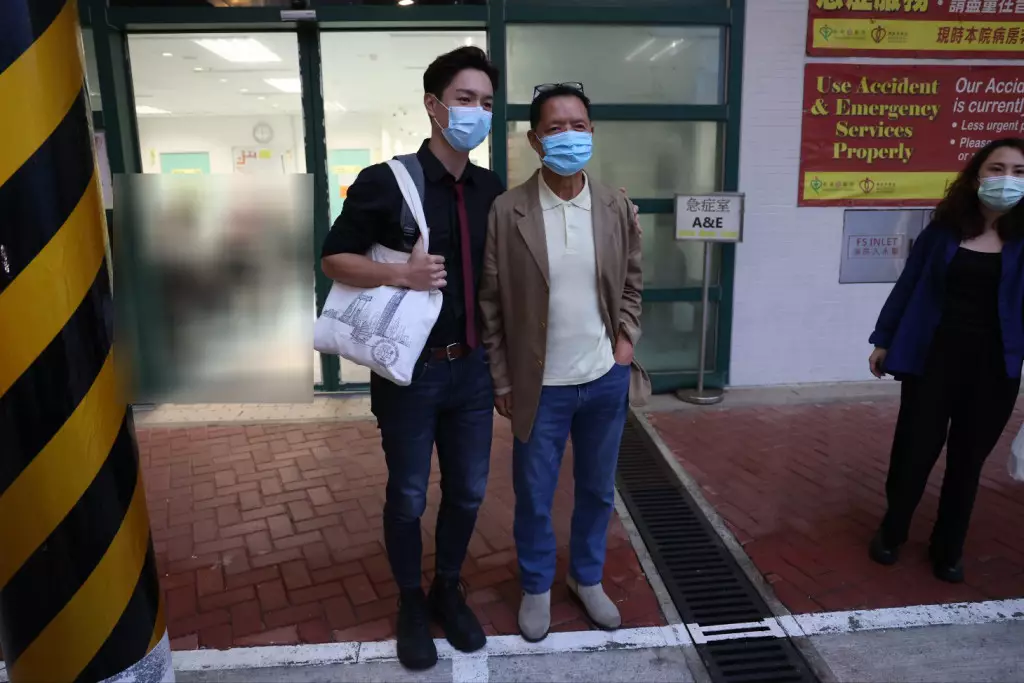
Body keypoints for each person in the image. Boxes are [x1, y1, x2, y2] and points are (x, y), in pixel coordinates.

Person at [320, 47, 503, 670]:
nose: (476, 112)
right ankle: (409, 601)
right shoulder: (386, 180)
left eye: (485, 102)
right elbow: (333, 259)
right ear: (433, 105)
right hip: (409, 373)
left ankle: (447, 588)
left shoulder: (491, 190)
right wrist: (401, 274)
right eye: (464, 99)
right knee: (408, 496)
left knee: (469, 492)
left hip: (472, 370)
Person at [479, 82, 650, 642]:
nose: (569, 136)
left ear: (592, 133)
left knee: (598, 490)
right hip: (541, 386)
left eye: (578, 126)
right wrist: (502, 379)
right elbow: (491, 304)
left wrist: (624, 343)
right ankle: (535, 586)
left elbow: (632, 280)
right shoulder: (508, 211)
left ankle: (586, 577)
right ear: (535, 140)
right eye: (555, 128)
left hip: (603, 378)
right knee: (534, 495)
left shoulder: (614, 206)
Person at [867, 138, 1024, 584]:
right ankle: (892, 530)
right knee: (913, 452)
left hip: (994, 368)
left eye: (1019, 172)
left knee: (967, 462)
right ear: (977, 176)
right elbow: (909, 285)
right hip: (932, 359)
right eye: (997, 169)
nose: (1007, 179)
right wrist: (884, 339)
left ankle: (948, 546)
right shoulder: (943, 232)